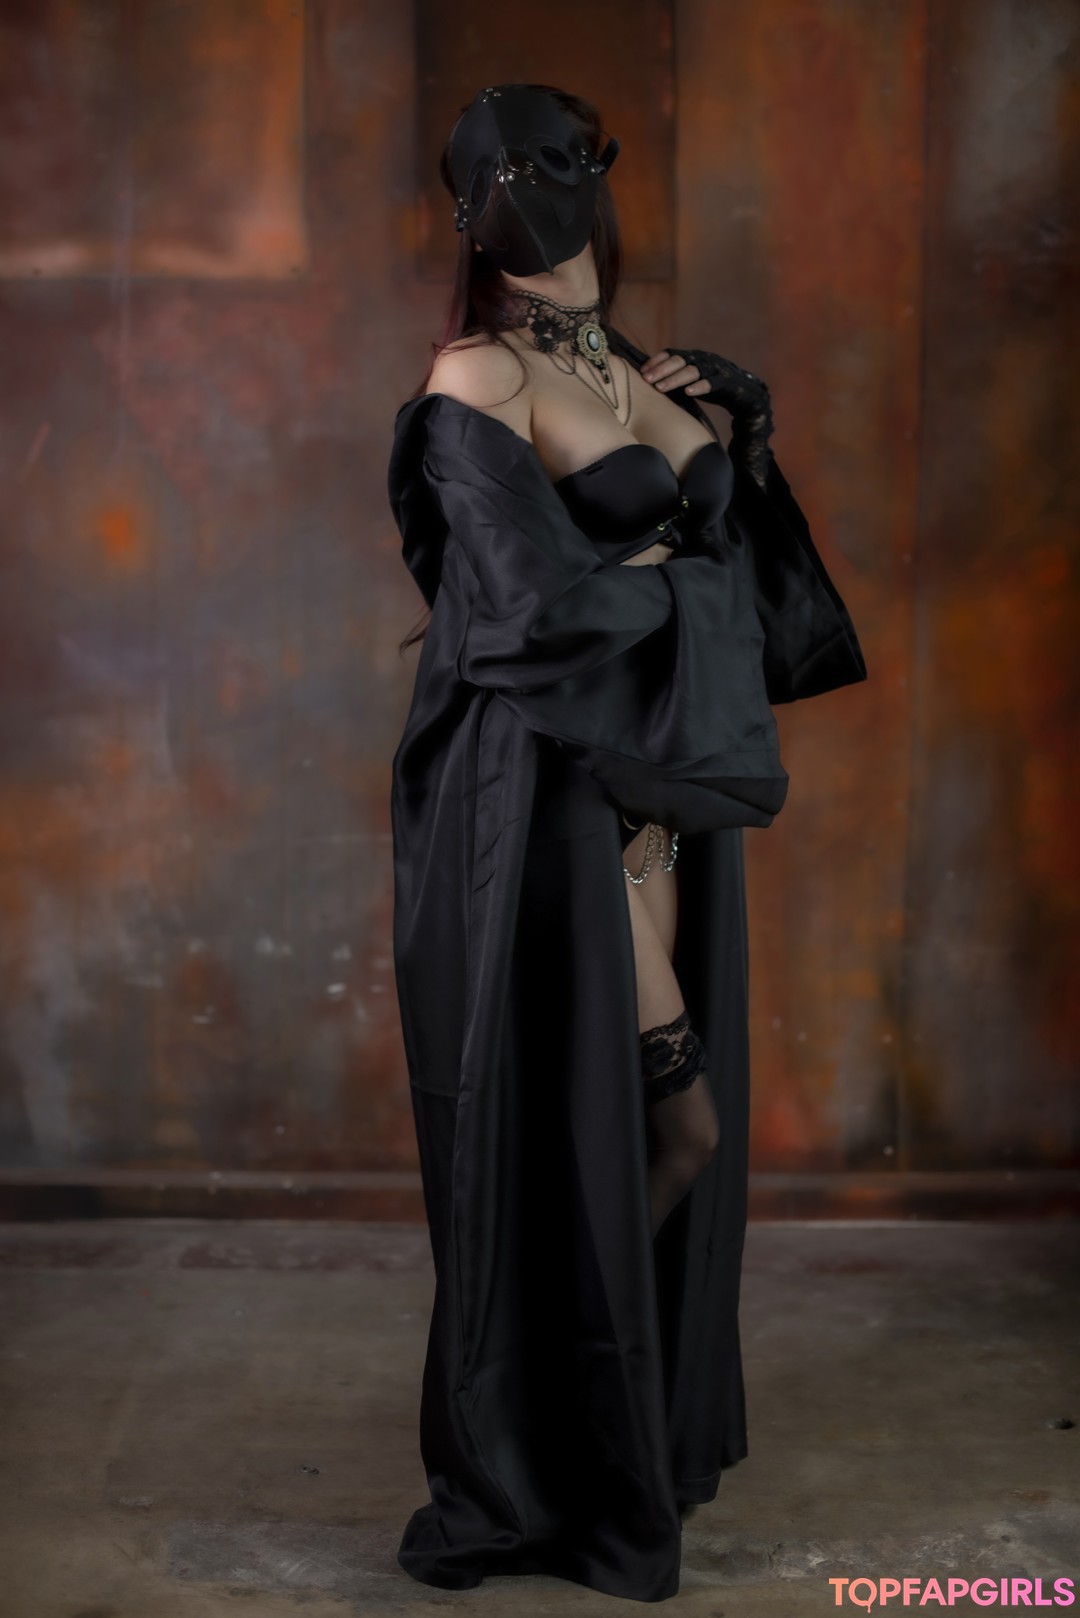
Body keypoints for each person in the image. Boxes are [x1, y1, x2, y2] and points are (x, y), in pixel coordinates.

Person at [386, 82, 866, 1604]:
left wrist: (743, 436)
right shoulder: (480, 374)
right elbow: (524, 609)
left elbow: (747, 590)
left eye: (571, 156)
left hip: (661, 786)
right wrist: (681, 565)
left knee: (644, 1130)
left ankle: (591, 1427)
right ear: (472, 211)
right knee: (665, 1126)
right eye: (514, 169)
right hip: (542, 790)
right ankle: (535, 1436)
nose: (553, 185)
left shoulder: (634, 366)